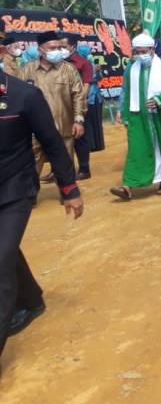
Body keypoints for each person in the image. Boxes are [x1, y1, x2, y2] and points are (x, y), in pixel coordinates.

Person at [0, 66, 84, 360]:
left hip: (15, 189)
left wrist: (69, 189)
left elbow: (52, 142)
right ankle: (31, 300)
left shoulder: (24, 95)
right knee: (5, 250)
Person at [110, 34, 161, 200]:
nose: (140, 55)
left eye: (144, 51)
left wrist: (160, 100)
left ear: (152, 50)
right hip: (139, 118)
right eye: (137, 52)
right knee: (136, 149)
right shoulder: (131, 68)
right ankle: (127, 185)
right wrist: (124, 113)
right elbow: (127, 91)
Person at [17, 31, 85, 176]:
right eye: (52, 48)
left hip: (63, 126)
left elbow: (78, 96)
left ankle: (67, 189)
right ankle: (30, 189)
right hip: (35, 129)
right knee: (31, 167)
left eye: (59, 48)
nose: (57, 51)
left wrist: (78, 120)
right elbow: (18, 97)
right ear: (40, 50)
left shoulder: (68, 69)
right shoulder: (27, 70)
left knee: (66, 167)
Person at [60, 34, 96, 179]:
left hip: (77, 106)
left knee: (79, 137)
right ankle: (60, 170)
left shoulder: (83, 63)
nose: (60, 50)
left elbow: (86, 86)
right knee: (60, 137)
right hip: (60, 106)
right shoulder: (57, 63)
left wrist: (78, 104)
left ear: (72, 47)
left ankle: (84, 169)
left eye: (63, 47)